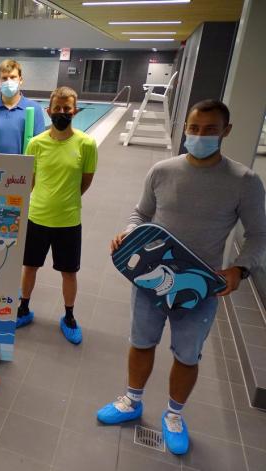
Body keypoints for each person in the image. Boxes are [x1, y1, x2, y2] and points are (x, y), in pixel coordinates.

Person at [96, 99, 266, 455]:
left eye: (210, 130)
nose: (200, 135)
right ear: (186, 127)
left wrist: (239, 268)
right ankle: (132, 401)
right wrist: (129, 233)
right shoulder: (162, 170)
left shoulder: (244, 181)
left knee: (187, 355)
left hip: (200, 286)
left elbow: (259, 234)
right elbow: (141, 213)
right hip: (150, 278)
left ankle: (174, 415)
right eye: (194, 128)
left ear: (226, 132)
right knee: (141, 342)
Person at [17, 86, 96, 339]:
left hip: (69, 220)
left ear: (74, 110)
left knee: (69, 272)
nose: (62, 112)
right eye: (57, 108)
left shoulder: (86, 144)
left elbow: (86, 181)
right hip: (37, 217)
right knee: (29, 267)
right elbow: (29, 181)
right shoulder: (35, 143)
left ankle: (69, 315)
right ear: (48, 111)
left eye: (67, 108)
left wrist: (66, 199)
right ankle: (23, 308)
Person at [0, 59, 45, 155]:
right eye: (4, 78)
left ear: (21, 80)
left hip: (22, 169)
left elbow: (39, 147)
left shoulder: (35, 109)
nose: (8, 81)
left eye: (13, 77)